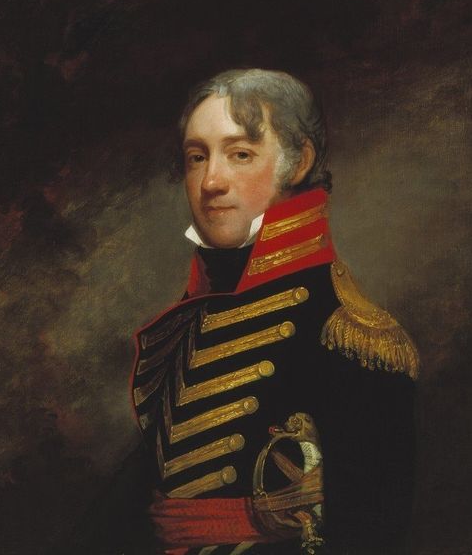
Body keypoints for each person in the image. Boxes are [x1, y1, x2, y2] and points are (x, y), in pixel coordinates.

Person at [131, 69, 419, 555]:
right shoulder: (192, 317)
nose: (211, 181)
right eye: (197, 157)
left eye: (240, 154)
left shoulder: (349, 334)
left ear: (298, 162)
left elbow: (372, 530)